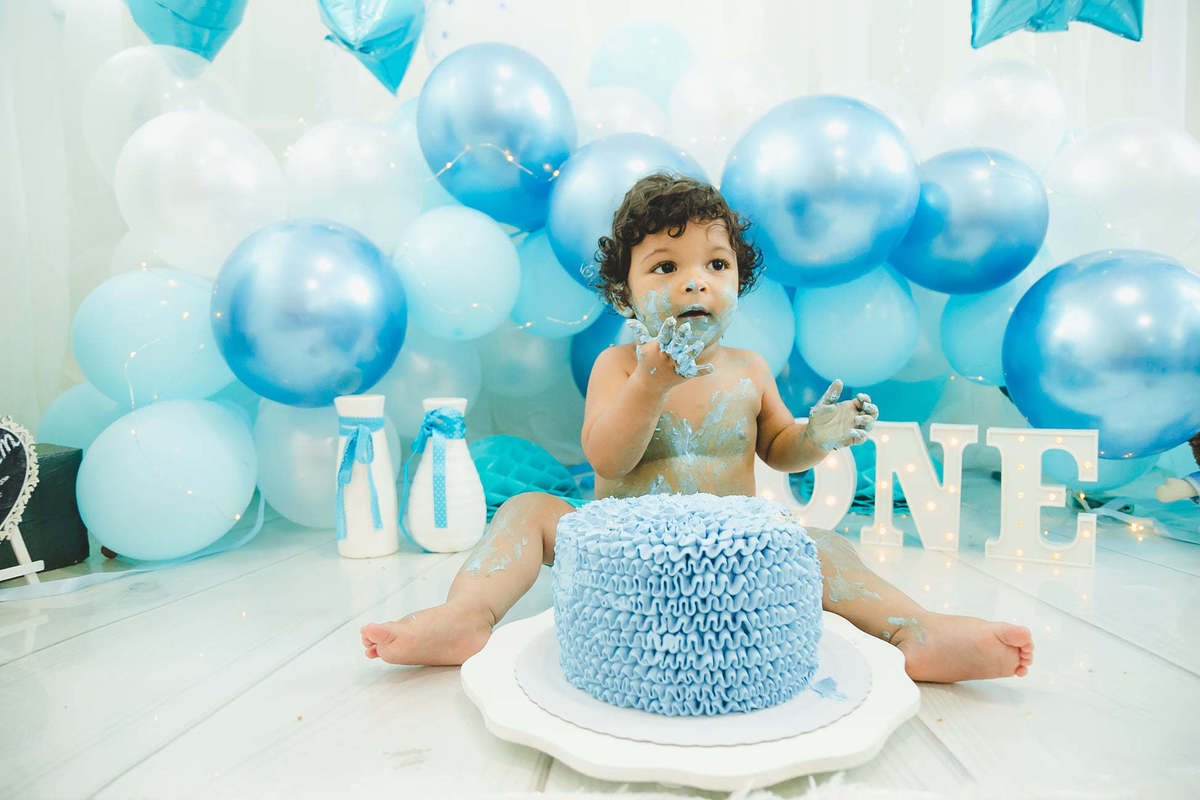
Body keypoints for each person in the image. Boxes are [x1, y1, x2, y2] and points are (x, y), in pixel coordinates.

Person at [361, 172, 1034, 683]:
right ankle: (466, 615)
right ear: (625, 294)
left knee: (820, 543)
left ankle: (916, 628)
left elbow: (778, 450)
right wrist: (649, 384)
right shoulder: (618, 366)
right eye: (666, 266)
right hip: (623, 555)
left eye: (716, 264)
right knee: (528, 509)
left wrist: (817, 435)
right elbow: (608, 459)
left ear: (739, 281)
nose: (696, 282)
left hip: (727, 562)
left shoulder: (749, 369)